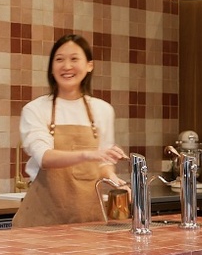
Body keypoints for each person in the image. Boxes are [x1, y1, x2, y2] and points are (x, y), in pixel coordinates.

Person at [12, 33, 128, 227]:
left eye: (74, 59)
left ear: (89, 65)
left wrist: (114, 179)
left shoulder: (103, 110)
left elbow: (103, 164)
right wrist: (89, 154)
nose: (66, 66)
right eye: (59, 60)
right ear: (51, 67)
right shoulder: (35, 109)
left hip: (90, 223)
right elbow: (44, 158)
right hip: (42, 223)